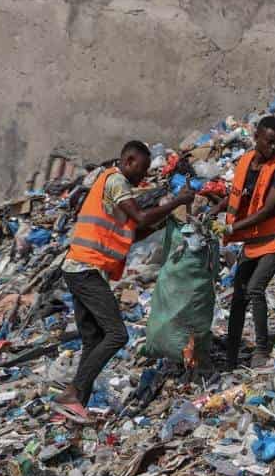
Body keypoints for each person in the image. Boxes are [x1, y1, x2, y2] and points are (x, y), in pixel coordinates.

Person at [53, 141, 195, 423]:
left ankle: (72, 406)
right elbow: (140, 216)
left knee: (93, 339)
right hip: (85, 268)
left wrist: (163, 221)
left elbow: (133, 231)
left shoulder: (111, 184)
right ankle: (72, 394)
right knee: (117, 335)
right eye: (141, 170)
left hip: (77, 266)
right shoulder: (117, 181)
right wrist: (176, 201)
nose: (142, 178)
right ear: (128, 160)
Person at [213, 115, 275, 368]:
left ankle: (261, 350)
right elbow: (238, 194)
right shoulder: (246, 161)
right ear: (256, 137)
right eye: (269, 142)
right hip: (254, 241)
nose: (273, 148)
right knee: (239, 297)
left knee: (255, 289)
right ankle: (231, 355)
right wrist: (214, 209)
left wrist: (230, 227)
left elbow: (267, 209)